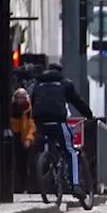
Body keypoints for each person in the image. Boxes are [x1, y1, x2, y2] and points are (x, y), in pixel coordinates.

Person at [29, 63, 96, 196]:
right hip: (58, 121)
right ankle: (75, 185)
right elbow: (77, 101)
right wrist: (89, 115)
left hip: (40, 123)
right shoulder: (65, 84)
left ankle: (42, 176)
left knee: (40, 148)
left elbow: (32, 101)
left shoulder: (37, 84)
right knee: (71, 151)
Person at [10, 88, 36, 193]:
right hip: (14, 136)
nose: (20, 100)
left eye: (22, 98)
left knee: (24, 163)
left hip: (24, 137)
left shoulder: (29, 109)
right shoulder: (11, 108)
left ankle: (24, 186)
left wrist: (28, 139)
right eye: (18, 98)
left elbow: (31, 125)